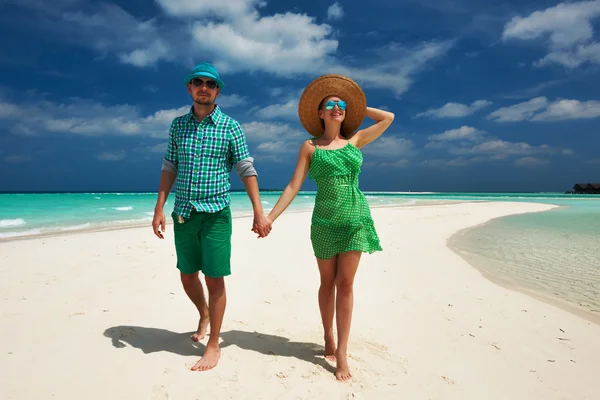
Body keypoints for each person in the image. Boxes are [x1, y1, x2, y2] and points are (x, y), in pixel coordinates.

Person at [261, 74, 394, 381]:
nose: (337, 107)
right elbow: (294, 185)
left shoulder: (356, 140)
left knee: (346, 284)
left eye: (342, 104)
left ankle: (342, 352)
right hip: (324, 222)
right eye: (330, 104)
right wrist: (270, 217)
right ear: (319, 113)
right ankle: (328, 336)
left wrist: (358, 107)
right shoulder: (309, 147)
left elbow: (388, 117)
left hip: (355, 219)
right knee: (327, 283)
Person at [152, 62, 272, 372]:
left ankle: (214, 343)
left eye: (210, 83)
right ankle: (204, 314)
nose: (204, 87)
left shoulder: (231, 126)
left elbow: (246, 169)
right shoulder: (178, 126)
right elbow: (169, 167)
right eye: (198, 82)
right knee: (187, 275)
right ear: (189, 88)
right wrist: (159, 208)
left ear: (217, 91)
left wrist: (259, 212)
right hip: (184, 213)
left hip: (217, 213)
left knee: (214, 278)